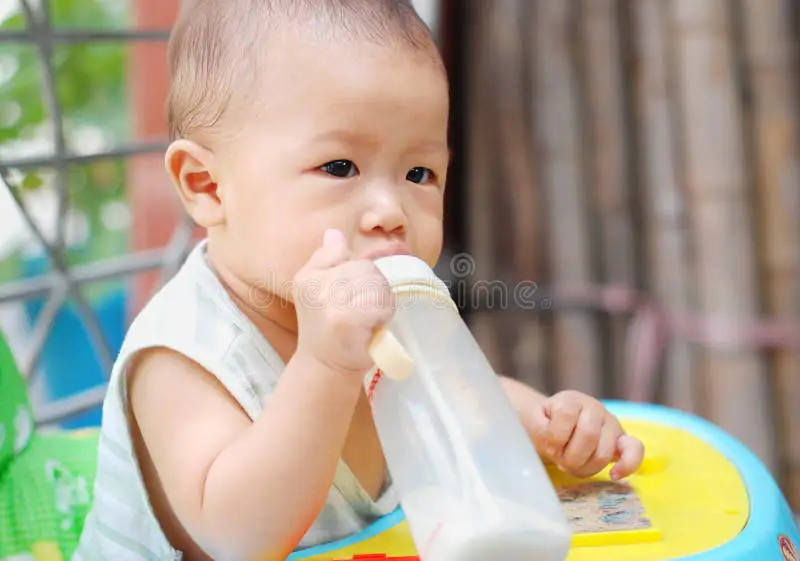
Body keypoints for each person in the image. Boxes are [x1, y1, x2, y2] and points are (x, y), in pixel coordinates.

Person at [73, 1, 644, 559]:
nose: (390, 210)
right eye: (340, 167)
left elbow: (462, 394)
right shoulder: (182, 352)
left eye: (419, 173)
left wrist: (549, 425)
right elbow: (238, 538)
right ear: (208, 186)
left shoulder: (374, 308)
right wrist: (324, 365)